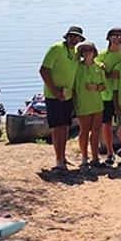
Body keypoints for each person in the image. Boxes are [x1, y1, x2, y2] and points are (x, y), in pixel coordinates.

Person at [38, 25, 84, 172]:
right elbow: (44, 70)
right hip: (54, 96)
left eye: (77, 37)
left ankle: (63, 157)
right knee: (57, 128)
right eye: (71, 36)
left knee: (65, 127)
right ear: (67, 36)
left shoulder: (76, 53)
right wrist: (55, 91)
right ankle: (58, 161)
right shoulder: (56, 48)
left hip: (68, 96)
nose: (74, 39)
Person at [73, 41, 106, 169]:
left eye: (90, 51)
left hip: (97, 104)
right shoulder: (77, 67)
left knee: (96, 131)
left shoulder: (99, 67)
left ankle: (95, 157)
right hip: (83, 104)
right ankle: (84, 157)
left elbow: (104, 86)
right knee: (84, 131)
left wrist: (96, 87)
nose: (88, 53)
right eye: (85, 51)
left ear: (94, 52)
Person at [99, 27, 121, 165]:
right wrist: (108, 74)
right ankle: (110, 153)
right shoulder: (102, 54)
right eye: (114, 36)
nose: (117, 38)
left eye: (120, 36)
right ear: (109, 38)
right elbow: (95, 70)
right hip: (105, 96)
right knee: (106, 125)